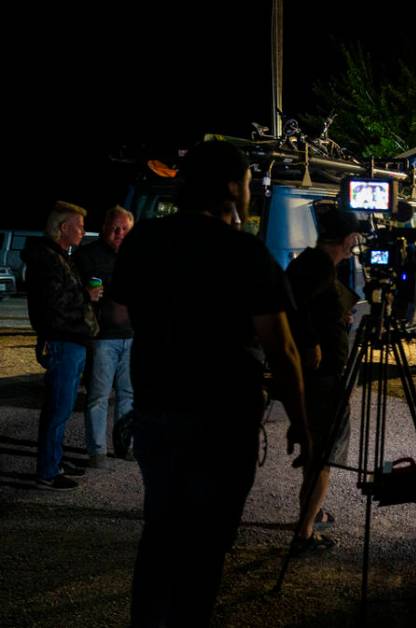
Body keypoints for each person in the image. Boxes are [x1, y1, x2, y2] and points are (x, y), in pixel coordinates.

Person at [113, 140, 309, 626]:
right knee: (206, 543)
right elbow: (282, 349)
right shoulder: (245, 253)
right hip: (222, 420)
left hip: (158, 411)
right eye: (246, 183)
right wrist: (303, 421)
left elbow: (117, 311)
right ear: (229, 189)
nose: (250, 191)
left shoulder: (145, 240)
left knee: (160, 533)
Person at [286, 207, 360, 556]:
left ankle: (311, 514)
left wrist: (335, 316)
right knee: (323, 456)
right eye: (353, 240)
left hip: (318, 375)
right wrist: (311, 340)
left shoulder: (313, 264)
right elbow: (293, 307)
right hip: (323, 377)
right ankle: (305, 532)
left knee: (315, 451)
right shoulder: (317, 266)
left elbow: (307, 305)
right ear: (347, 240)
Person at [22, 201, 101, 490]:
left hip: (71, 341)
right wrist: (86, 298)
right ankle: (47, 471)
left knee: (62, 408)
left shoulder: (57, 256)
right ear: (63, 228)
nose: (82, 231)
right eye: (78, 226)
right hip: (64, 341)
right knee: (57, 409)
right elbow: (54, 307)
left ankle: (54, 461)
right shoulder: (47, 260)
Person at [73, 205, 134, 469]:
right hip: (102, 338)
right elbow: (74, 292)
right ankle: (96, 451)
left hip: (132, 337)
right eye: (114, 228)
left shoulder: (137, 256)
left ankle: (125, 446)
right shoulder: (87, 256)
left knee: (128, 395)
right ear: (105, 228)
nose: (119, 233)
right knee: (98, 396)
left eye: (124, 228)